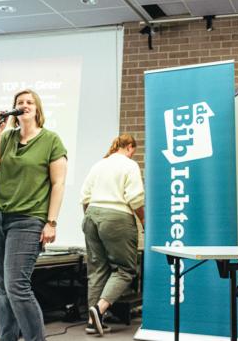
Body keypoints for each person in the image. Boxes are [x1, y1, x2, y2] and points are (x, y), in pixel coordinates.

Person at [0, 88, 68, 341]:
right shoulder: (7, 137)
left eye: (29, 102)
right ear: (14, 110)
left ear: (38, 109)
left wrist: (51, 222)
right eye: (19, 102)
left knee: (17, 286)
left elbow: (58, 184)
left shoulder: (51, 140)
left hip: (28, 220)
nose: (24, 105)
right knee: (3, 287)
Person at [80, 134, 145, 337]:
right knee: (125, 269)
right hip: (116, 216)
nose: (133, 154)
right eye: (133, 150)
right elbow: (134, 198)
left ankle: (92, 322)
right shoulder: (128, 165)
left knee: (97, 270)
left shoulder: (99, 164)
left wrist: (94, 220)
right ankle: (99, 310)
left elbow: (85, 197)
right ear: (128, 147)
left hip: (92, 216)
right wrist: (144, 221)